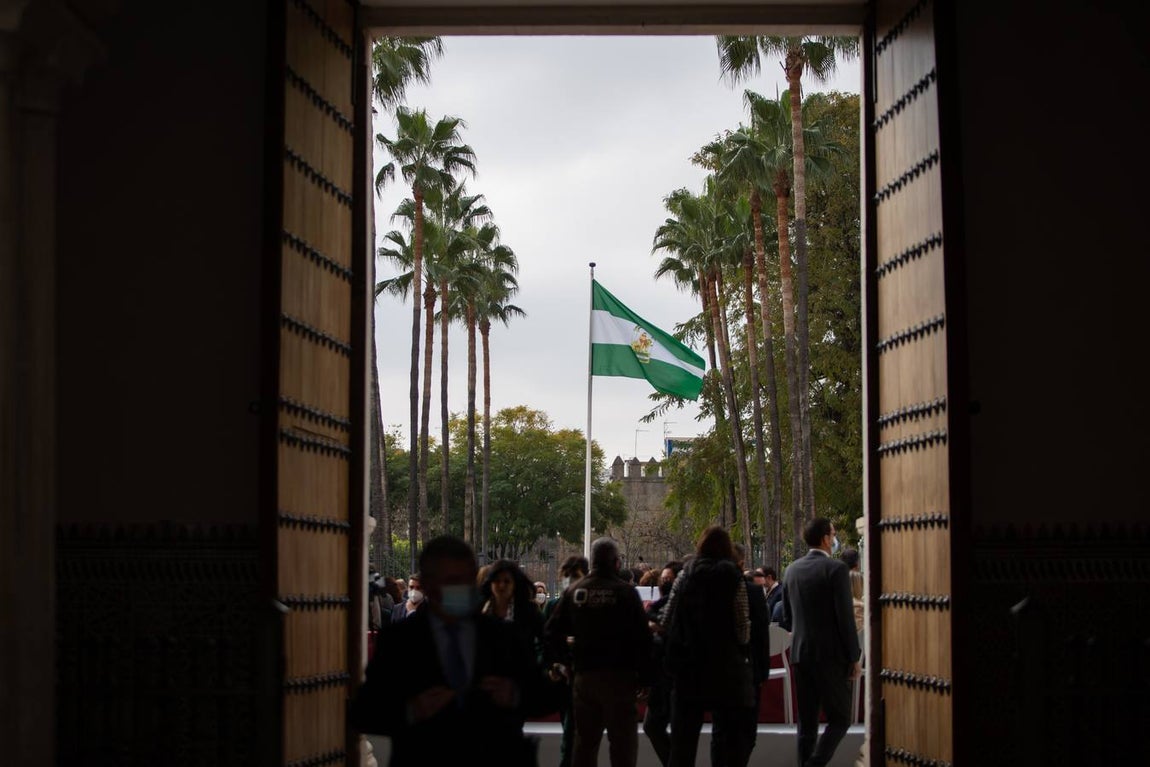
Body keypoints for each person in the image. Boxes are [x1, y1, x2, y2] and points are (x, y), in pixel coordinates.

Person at [350, 535, 548, 766]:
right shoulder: (400, 640)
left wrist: (515, 695)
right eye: (450, 580)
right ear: (430, 584)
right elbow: (363, 712)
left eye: (465, 580)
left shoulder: (503, 636)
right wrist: (411, 711)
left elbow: (543, 696)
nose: (459, 589)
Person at [544, 537, 653, 767]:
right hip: (620, 678)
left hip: (585, 677)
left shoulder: (575, 591)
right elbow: (643, 639)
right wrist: (645, 677)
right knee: (623, 746)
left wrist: (566, 661)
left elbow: (551, 632)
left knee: (584, 744)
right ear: (616, 562)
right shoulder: (626, 593)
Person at [661, 526, 754, 767]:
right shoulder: (734, 575)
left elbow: (667, 618)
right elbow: (742, 624)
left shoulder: (686, 574)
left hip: (688, 667)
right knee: (725, 739)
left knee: (683, 743)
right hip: (725, 668)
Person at [782, 518, 862, 767]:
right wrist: (853, 656)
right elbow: (845, 617)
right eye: (834, 534)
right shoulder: (836, 569)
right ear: (826, 539)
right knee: (840, 718)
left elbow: (786, 617)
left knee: (806, 723)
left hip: (800, 654)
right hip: (831, 656)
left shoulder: (791, 569)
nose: (835, 539)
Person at [709, 542, 770, 767]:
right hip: (745, 670)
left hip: (718, 669)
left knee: (720, 730)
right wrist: (762, 672)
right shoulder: (753, 591)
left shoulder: (708, 589)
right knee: (745, 731)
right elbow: (761, 634)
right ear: (742, 563)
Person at [542, 554, 589, 767]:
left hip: (584, 676)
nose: (570, 580)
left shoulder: (589, 604)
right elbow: (544, 639)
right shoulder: (553, 605)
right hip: (561, 676)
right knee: (568, 729)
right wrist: (552, 665)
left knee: (574, 734)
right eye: (567, 576)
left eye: (575, 576)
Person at [642, 560, 682, 767]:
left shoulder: (679, 606)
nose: (664, 582)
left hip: (675, 675)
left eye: (668, 579)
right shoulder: (655, 607)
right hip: (659, 677)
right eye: (662, 579)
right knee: (652, 726)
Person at [480, 560, 545, 665]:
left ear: (515, 584)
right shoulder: (480, 610)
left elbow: (546, 638)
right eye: (497, 581)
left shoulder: (528, 610)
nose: (501, 586)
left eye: (507, 581)